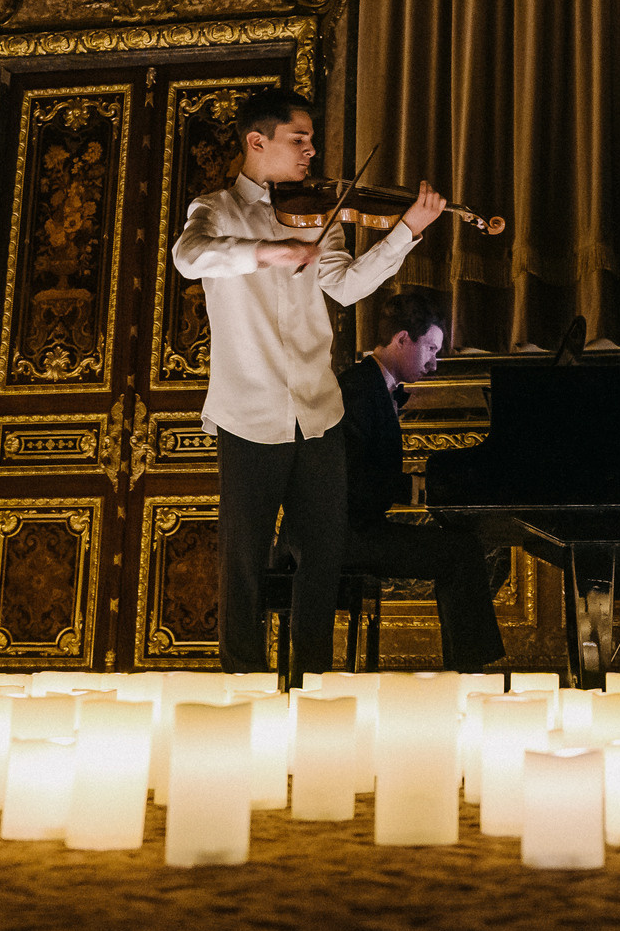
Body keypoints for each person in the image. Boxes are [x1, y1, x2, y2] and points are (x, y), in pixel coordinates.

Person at [172, 86, 445, 677]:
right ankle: (240, 685)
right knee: (244, 561)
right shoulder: (215, 209)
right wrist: (267, 253)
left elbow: (345, 286)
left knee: (323, 555)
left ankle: (313, 687)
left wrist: (406, 231)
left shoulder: (317, 213)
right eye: (299, 140)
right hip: (247, 413)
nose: (310, 152)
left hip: (319, 411)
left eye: (311, 142)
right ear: (257, 141)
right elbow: (188, 257)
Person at [338, 290, 506, 671]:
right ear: (401, 340)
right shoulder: (359, 390)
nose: (434, 362)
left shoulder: (370, 386)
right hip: (344, 535)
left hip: (357, 526)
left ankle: (469, 669)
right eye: (430, 348)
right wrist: (416, 490)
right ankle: (470, 673)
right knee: (459, 553)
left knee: (459, 548)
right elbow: (350, 479)